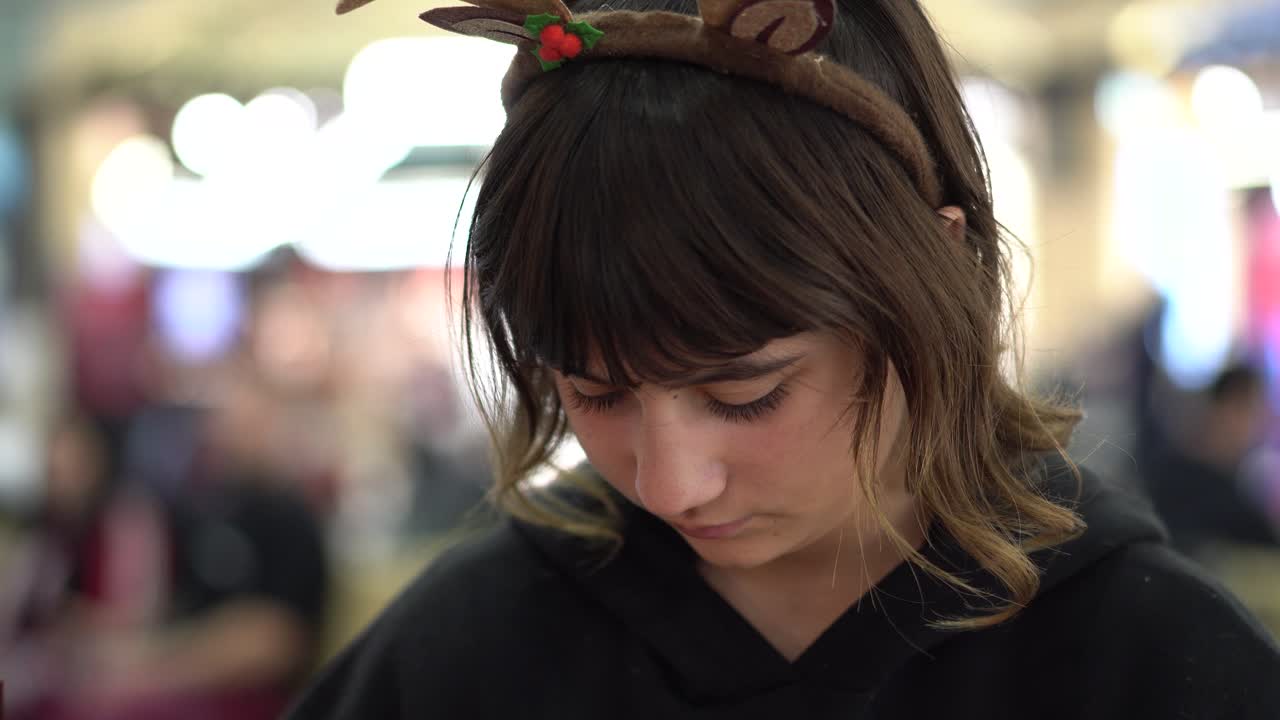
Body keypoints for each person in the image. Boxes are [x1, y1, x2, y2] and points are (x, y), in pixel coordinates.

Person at [288, 0, 1280, 717]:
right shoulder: (467, 652)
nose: (671, 484)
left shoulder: (1147, 660)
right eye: (594, 392)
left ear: (935, 273)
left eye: (745, 395)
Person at [1146, 362, 1278, 561]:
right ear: (1230, 407)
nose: (1259, 425)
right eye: (1254, 410)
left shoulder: (1229, 482)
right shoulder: (1188, 483)